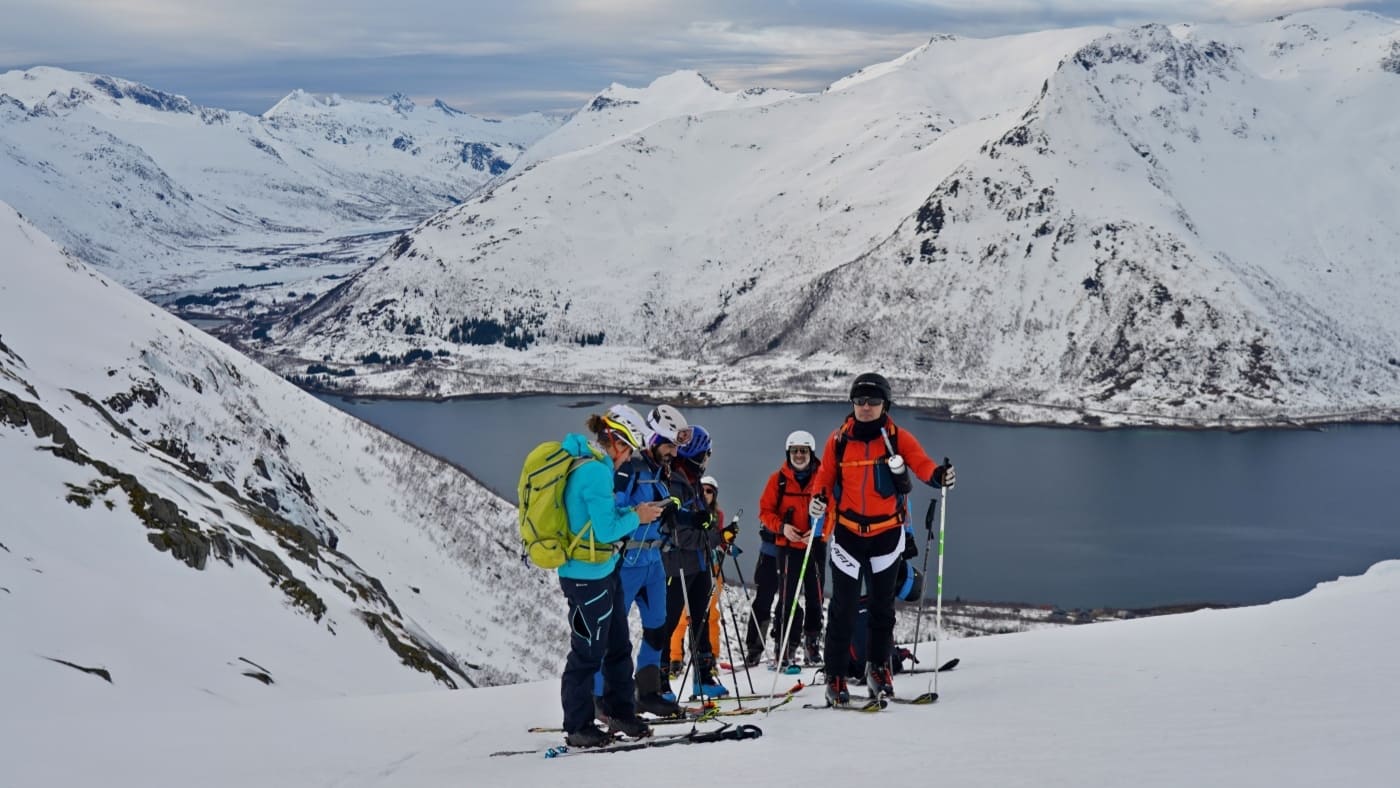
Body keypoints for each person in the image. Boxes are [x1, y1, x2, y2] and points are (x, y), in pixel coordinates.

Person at [809, 372, 956, 706]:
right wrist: (818, 498)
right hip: (848, 534)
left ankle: (878, 669)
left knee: (881, 609)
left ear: (884, 405)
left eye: (872, 401)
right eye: (859, 401)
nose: (865, 407)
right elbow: (825, 477)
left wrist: (939, 476)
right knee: (843, 609)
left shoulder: (898, 438)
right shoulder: (838, 441)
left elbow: (921, 465)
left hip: (887, 536)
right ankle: (835, 676)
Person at [557, 413, 668, 746]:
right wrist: (638, 516)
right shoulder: (593, 472)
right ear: (616, 444)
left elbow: (600, 522)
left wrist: (634, 513)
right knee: (588, 651)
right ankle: (578, 726)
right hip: (585, 575)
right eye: (628, 450)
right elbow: (605, 530)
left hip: (603, 569)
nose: (629, 458)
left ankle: (620, 712)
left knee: (618, 644)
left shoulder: (596, 467)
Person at [597, 403, 684, 718]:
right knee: (610, 633)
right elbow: (612, 512)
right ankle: (599, 697)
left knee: (657, 628)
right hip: (628, 563)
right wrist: (640, 515)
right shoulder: (629, 469)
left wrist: (680, 514)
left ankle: (647, 692)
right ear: (652, 440)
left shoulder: (661, 473)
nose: (672, 451)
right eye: (668, 444)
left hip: (653, 563)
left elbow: (661, 507)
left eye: (675, 446)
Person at [660, 424, 730, 698]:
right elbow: (679, 533)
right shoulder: (674, 482)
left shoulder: (691, 482)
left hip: (697, 564)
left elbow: (706, 523)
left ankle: (704, 678)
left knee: (700, 619)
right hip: (674, 564)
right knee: (667, 623)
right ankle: (659, 683)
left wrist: (711, 534)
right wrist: (713, 538)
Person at [755, 429, 826, 668]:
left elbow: (835, 509)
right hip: (787, 547)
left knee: (816, 597)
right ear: (788, 453)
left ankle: (812, 644)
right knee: (788, 599)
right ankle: (785, 646)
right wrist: (782, 528)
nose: (799, 455)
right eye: (795, 451)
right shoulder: (779, 479)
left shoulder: (823, 479)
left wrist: (818, 533)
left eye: (803, 451)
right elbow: (765, 511)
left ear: (811, 453)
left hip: (814, 546)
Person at [667, 475, 737, 674]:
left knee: (709, 614)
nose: (706, 494)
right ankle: (674, 658)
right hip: (689, 566)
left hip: (711, 567)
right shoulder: (693, 511)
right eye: (703, 490)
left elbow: (717, 540)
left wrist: (727, 541)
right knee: (681, 616)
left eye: (710, 491)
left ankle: (711, 656)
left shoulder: (716, 515)